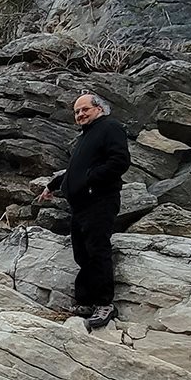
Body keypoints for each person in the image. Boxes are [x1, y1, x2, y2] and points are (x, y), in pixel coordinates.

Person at [37, 92, 131, 330]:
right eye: (77, 112)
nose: (80, 114)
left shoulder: (110, 127)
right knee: (82, 252)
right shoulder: (87, 136)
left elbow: (120, 161)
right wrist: (53, 185)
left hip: (100, 200)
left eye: (84, 109)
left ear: (98, 108)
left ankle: (104, 304)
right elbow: (75, 170)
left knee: (97, 250)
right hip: (81, 205)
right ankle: (87, 301)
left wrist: (90, 179)